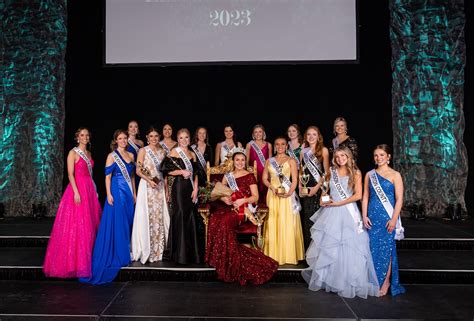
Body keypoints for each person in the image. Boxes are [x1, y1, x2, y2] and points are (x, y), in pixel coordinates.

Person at [302, 147, 379, 299]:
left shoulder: (356, 172)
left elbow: (358, 195)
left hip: (348, 212)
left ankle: (347, 282)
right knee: (330, 247)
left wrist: (339, 203)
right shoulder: (331, 171)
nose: (340, 159)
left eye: (342, 156)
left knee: (349, 246)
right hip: (331, 211)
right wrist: (323, 198)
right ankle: (331, 280)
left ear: (348, 156)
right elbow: (325, 190)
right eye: (337, 157)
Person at [206, 148, 278, 285]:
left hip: (243, 210)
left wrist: (243, 200)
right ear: (233, 161)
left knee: (225, 222)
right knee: (215, 219)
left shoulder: (250, 176)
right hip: (229, 207)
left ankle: (230, 259)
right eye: (237, 160)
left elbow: (255, 197)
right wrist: (224, 199)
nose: (240, 162)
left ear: (246, 162)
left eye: (242, 160)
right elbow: (221, 193)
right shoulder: (228, 176)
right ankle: (221, 257)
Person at [79, 130, 136, 284]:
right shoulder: (112, 156)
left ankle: (127, 248)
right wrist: (109, 194)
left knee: (129, 221)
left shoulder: (131, 155)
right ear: (116, 141)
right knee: (120, 223)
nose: (123, 141)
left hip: (129, 193)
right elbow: (107, 177)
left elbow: (131, 177)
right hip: (117, 192)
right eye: (120, 139)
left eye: (125, 138)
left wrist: (135, 193)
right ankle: (121, 253)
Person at [43, 128, 101, 278]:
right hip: (77, 189)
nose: (85, 137)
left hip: (89, 189)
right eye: (82, 135)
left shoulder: (89, 154)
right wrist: (76, 192)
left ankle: (88, 260)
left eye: (87, 135)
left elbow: (89, 174)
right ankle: (74, 263)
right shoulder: (73, 153)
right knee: (77, 225)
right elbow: (70, 174)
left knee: (89, 224)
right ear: (77, 138)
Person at [362, 144, 406, 296]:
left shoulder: (395, 175)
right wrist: (364, 215)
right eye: (376, 155)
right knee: (372, 249)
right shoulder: (369, 174)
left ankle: (386, 282)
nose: (378, 158)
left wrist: (394, 220)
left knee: (387, 249)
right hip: (372, 217)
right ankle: (373, 280)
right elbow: (365, 196)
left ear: (388, 157)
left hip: (388, 217)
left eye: (381, 155)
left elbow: (399, 199)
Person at [160, 128, 201, 264]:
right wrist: (180, 172)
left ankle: (190, 254)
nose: (184, 140)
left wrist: (195, 189)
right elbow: (166, 170)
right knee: (180, 215)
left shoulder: (192, 154)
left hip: (190, 189)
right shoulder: (174, 152)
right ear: (178, 139)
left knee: (190, 216)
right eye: (181, 138)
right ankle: (179, 254)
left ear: (190, 139)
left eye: (187, 138)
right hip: (178, 188)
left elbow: (196, 174)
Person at [262, 137, 304, 265]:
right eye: (277, 144)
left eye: (283, 144)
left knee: (287, 222)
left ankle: (288, 255)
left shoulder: (291, 160)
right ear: (274, 146)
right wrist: (271, 187)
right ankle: (273, 254)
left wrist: (290, 193)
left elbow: (295, 180)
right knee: (273, 222)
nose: (280, 146)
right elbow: (265, 178)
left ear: (286, 146)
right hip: (273, 194)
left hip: (287, 195)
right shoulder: (269, 161)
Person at [131, 127, 170, 264]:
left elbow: (164, 173)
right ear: (147, 137)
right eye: (151, 136)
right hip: (147, 187)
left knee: (158, 217)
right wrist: (149, 181)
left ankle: (158, 250)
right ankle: (146, 248)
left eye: (156, 136)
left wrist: (166, 189)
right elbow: (138, 170)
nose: (154, 139)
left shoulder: (162, 152)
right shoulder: (143, 150)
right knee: (146, 216)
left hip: (159, 188)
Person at [298, 126, 330, 250]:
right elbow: (301, 171)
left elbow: (326, 173)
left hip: (318, 189)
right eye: (309, 134)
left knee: (319, 222)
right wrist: (301, 187)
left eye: (314, 134)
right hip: (307, 190)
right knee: (308, 221)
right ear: (306, 136)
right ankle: (309, 253)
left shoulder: (324, 150)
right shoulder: (303, 152)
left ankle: (320, 253)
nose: (311, 137)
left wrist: (317, 188)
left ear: (318, 137)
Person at [246, 124, 272, 198]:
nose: (258, 134)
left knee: (265, 193)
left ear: (263, 133)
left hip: (265, 173)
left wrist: (270, 174)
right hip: (253, 173)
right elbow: (246, 161)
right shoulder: (249, 145)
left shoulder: (269, 145)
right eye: (256, 132)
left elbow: (270, 162)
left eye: (260, 132)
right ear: (253, 134)